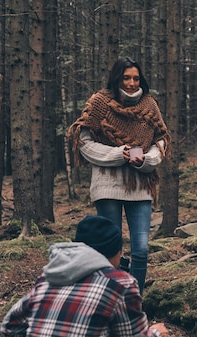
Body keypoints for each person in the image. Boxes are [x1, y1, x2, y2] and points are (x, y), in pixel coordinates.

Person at [1, 215, 172, 337]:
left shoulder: (48, 278)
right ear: (115, 253)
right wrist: (157, 334)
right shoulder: (119, 283)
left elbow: (10, 326)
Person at [67, 56, 171, 293]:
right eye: (126, 77)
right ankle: (108, 298)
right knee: (109, 249)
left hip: (140, 184)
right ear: (117, 78)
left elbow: (161, 141)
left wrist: (147, 160)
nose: (132, 83)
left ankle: (135, 301)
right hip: (107, 184)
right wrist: (117, 154)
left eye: (136, 78)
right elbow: (83, 142)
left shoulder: (149, 104)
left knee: (141, 250)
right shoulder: (100, 102)